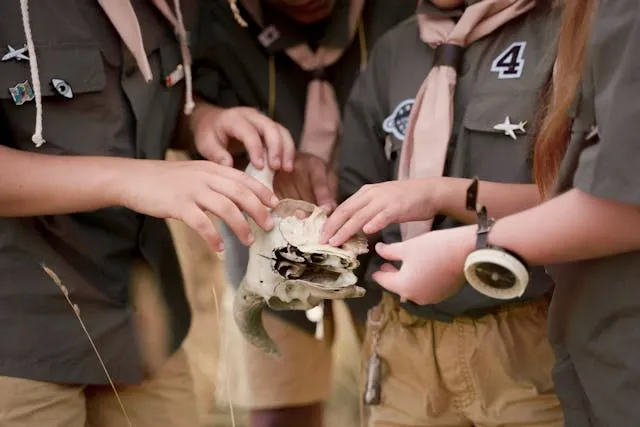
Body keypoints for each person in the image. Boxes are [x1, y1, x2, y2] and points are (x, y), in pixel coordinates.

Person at [325, 0, 640, 425]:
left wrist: (445, 197)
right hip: (406, 345)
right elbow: (354, 195)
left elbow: (593, 196)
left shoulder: (568, 30)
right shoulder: (392, 51)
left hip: (525, 335)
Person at [0, 2, 279, 426]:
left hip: (141, 321)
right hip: (19, 338)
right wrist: (130, 180)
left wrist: (202, 119)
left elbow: (123, 107)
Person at [189, 0, 416, 425]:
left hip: (396, 238)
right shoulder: (208, 18)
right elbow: (182, 108)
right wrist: (218, 127)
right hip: (269, 241)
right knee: (280, 403)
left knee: (405, 394)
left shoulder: (404, 12)